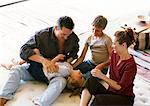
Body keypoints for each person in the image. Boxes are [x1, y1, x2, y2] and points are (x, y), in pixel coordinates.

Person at [0, 16, 79, 106]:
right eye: (63, 35)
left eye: (68, 35)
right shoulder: (42, 35)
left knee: (61, 82)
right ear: (56, 28)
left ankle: (39, 103)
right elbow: (23, 51)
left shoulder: (72, 37)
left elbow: (75, 51)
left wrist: (68, 61)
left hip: (54, 74)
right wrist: (44, 61)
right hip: (36, 69)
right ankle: (3, 98)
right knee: (16, 70)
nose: (65, 38)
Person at [80, 28, 137, 106]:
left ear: (123, 45)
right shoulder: (115, 53)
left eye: (114, 43)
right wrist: (101, 65)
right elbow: (111, 61)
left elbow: (119, 87)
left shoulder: (131, 65)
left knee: (99, 99)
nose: (112, 46)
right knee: (90, 80)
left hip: (124, 98)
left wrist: (102, 76)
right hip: (111, 92)